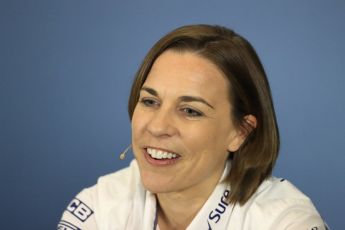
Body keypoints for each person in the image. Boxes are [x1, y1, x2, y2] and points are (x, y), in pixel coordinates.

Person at [58, 24, 328, 230]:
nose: (157, 126)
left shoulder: (284, 221)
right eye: (150, 101)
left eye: (190, 110)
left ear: (240, 132)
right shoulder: (97, 208)